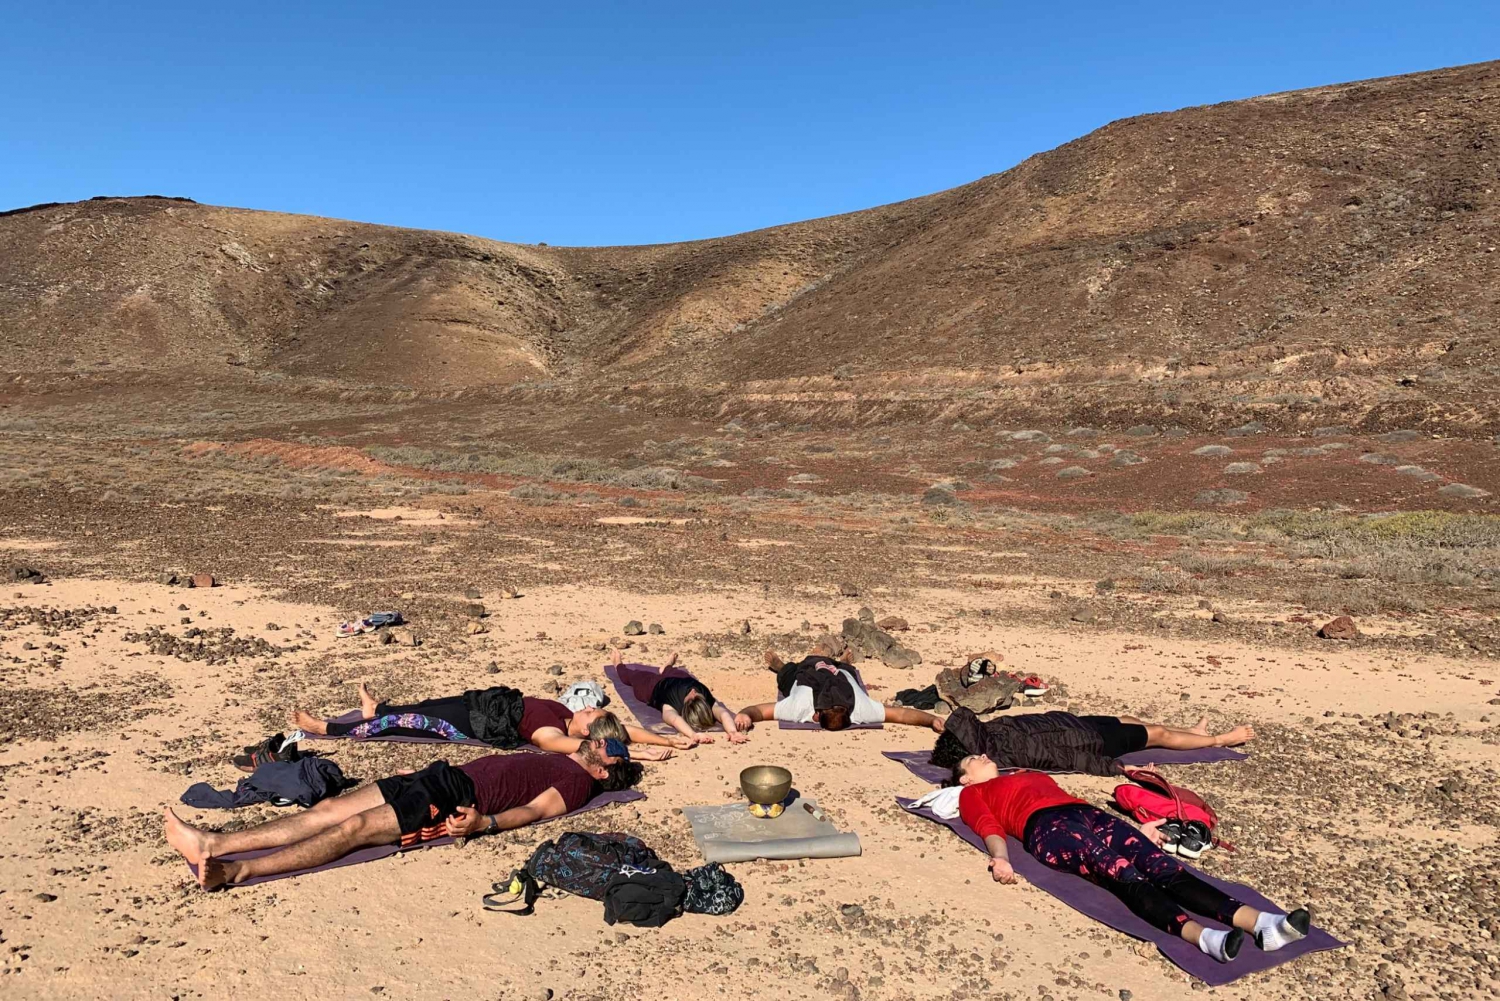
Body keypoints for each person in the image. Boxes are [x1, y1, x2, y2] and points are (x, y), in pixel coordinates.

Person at [952, 753, 1311, 964]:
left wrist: (1139, 824)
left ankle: (1261, 923)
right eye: (973, 760)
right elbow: (988, 827)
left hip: (1085, 813)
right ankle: (1203, 938)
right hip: (1046, 830)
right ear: (966, 779)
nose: (983, 756)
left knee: (1162, 865)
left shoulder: (1028, 774)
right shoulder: (973, 794)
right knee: (1124, 874)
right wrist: (1001, 859)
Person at [165, 737, 643, 890]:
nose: (603, 741)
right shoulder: (564, 755)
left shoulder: (579, 782)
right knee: (330, 807)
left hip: (454, 797)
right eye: (607, 738)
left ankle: (236, 869)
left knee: (353, 829)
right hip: (437, 773)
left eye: (613, 748)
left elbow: (537, 811)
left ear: (607, 772)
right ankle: (214, 843)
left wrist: (484, 823)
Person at [289, 682, 696, 760]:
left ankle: (329, 728)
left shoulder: (553, 735)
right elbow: (622, 731)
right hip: (484, 701)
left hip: (474, 721)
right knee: (425, 704)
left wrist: (634, 757)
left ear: (589, 729)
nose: (588, 707)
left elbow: (593, 747)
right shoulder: (572, 717)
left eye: (593, 711)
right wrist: (665, 740)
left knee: (414, 721)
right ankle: (375, 709)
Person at [930, 706, 1255, 776]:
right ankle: (1218, 738)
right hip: (1091, 741)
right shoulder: (1006, 747)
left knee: (1133, 720)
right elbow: (1066, 760)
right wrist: (1117, 768)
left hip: (1073, 724)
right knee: (1157, 735)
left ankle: (1194, 734)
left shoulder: (990, 732)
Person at [740, 651, 944, 731]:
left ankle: (784, 667)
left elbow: (758, 711)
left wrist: (746, 715)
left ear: (816, 715)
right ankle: (782, 665)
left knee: (789, 674)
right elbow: (900, 714)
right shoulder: (861, 709)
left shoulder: (799, 708)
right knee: (791, 671)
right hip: (835, 671)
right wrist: (930, 720)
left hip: (819, 671)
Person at [611, 648, 752, 744]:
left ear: (686, 704)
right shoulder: (704, 697)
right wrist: (732, 732)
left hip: (652, 686)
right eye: (697, 694)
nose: (694, 691)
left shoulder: (670, 706)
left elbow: (674, 720)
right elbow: (723, 714)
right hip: (680, 678)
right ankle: (666, 667)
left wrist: (693, 735)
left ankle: (617, 663)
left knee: (630, 676)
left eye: (692, 695)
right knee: (670, 671)